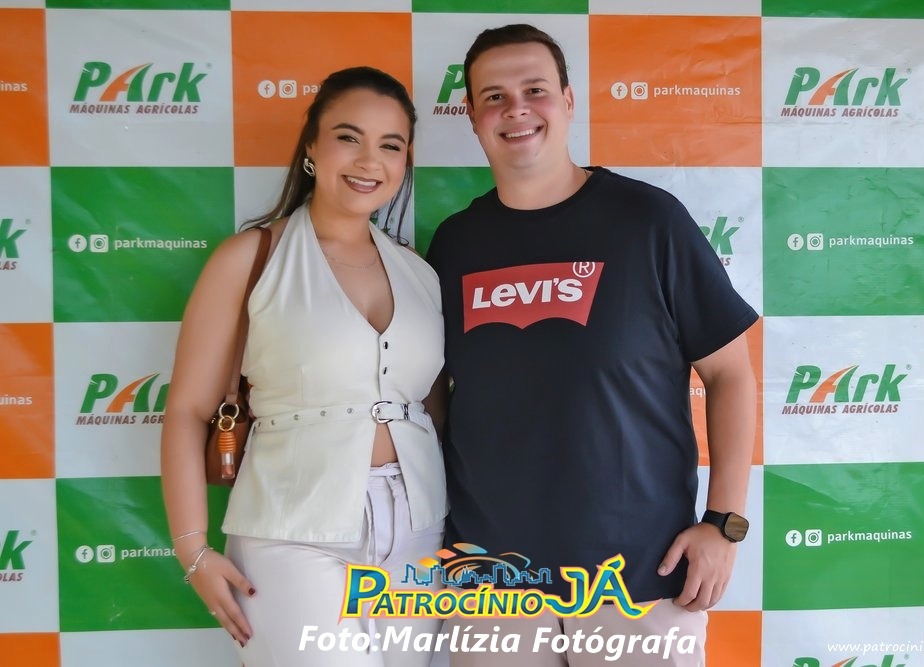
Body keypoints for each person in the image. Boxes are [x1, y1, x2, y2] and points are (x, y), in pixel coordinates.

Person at [424, 25, 758, 666]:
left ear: (569, 101)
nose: (516, 109)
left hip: (638, 576)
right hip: (492, 581)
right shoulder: (455, 244)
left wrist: (723, 525)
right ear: (470, 116)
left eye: (535, 90)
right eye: (493, 96)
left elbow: (731, 374)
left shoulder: (649, 221)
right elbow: (433, 398)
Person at [161, 66, 448, 666]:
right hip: (291, 532)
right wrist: (192, 549)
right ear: (312, 145)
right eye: (349, 137)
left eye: (390, 145)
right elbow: (187, 409)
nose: (369, 160)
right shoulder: (250, 257)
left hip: (418, 533)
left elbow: (432, 409)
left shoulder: (422, 273)